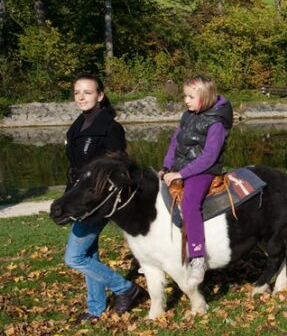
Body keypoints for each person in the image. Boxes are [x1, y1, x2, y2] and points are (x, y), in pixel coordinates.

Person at [64, 74, 143, 322]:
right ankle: (96, 308)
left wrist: (98, 193)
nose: (81, 97)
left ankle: (125, 288)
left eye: (87, 92)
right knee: (89, 254)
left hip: (97, 201)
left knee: (74, 257)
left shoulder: (110, 128)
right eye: (77, 92)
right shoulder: (78, 125)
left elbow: (119, 167)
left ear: (100, 96)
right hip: (80, 198)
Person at [161, 75, 233, 287]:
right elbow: (174, 143)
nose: (186, 101)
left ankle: (198, 257)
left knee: (190, 203)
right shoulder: (188, 116)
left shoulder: (216, 122)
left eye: (191, 97)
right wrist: (166, 167)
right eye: (185, 96)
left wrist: (182, 174)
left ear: (206, 96)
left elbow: (209, 156)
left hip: (204, 170)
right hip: (181, 167)